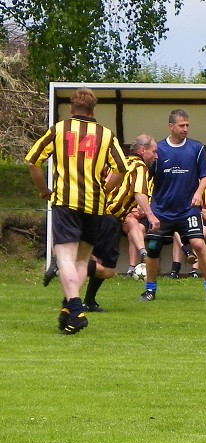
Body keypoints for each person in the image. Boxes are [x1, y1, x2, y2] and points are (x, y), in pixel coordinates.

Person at [26, 87, 128, 334]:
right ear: (93, 110)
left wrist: (44, 190)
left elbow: (33, 160)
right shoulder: (106, 135)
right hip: (94, 204)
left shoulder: (59, 129)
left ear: (72, 108)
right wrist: (105, 187)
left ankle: (76, 308)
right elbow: (122, 168)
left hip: (66, 203)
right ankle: (67, 308)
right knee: (83, 259)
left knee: (64, 257)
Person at [139, 108, 206, 303]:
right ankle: (150, 290)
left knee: (199, 244)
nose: (185, 129)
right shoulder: (158, 149)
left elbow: (205, 176)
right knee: (153, 247)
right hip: (162, 210)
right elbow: (144, 178)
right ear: (171, 126)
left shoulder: (197, 148)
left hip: (188, 209)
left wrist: (199, 193)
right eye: (181, 125)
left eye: (187, 126)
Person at [83, 134, 160, 311]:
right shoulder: (139, 166)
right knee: (107, 267)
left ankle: (84, 301)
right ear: (143, 150)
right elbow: (138, 192)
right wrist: (151, 216)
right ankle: (67, 265)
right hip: (109, 218)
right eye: (154, 152)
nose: (156, 157)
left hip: (95, 213)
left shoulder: (120, 161)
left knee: (96, 258)